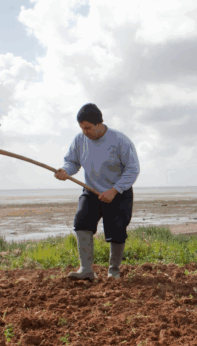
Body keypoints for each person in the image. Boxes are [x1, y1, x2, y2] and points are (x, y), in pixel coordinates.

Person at [55, 103, 140, 281]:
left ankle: (113, 272)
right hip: (91, 190)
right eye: (82, 128)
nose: (85, 132)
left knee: (117, 231)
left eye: (88, 128)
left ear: (100, 123)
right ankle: (86, 269)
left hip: (118, 192)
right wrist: (65, 171)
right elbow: (72, 162)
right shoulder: (80, 140)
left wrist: (114, 190)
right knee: (81, 222)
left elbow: (133, 169)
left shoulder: (120, 141)